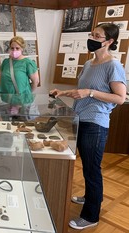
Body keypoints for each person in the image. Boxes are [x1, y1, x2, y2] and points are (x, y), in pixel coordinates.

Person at [50, 23, 127, 230]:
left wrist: (90, 93)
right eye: (92, 34)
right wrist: (63, 93)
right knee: (87, 166)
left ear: (109, 41)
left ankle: (91, 215)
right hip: (80, 119)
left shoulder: (114, 66)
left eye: (98, 35)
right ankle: (89, 197)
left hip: (96, 123)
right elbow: (82, 90)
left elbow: (120, 98)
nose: (92, 38)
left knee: (93, 169)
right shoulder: (88, 64)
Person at [0, 36, 39, 120]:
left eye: (17, 48)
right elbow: (5, 80)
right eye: (12, 48)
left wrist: (23, 97)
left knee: (25, 126)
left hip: (23, 102)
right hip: (7, 100)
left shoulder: (28, 63)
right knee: (8, 126)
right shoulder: (5, 63)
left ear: (22, 49)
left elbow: (35, 82)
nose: (14, 51)